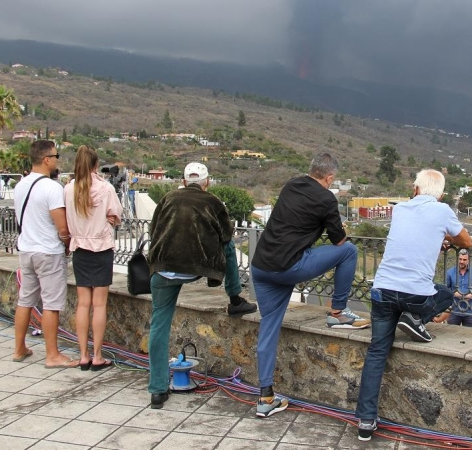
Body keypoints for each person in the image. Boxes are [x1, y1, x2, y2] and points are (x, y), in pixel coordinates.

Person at [355, 169, 472, 441]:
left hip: (382, 291)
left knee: (376, 352)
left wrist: (437, 239)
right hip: (414, 296)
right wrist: (447, 238)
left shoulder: (401, 209)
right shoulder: (442, 210)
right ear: (441, 194)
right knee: (446, 292)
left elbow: (413, 239)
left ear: (415, 188)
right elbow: (466, 241)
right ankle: (413, 318)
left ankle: (365, 420)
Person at [250, 152, 367, 418]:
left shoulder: (292, 184)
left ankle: (266, 397)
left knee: (268, 327)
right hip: (289, 266)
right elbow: (339, 240)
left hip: (261, 266)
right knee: (349, 252)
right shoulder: (327, 198)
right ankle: (337, 313)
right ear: (329, 177)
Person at [146, 162, 256, 409]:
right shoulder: (213, 202)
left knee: (159, 326)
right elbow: (226, 236)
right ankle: (235, 298)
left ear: (184, 182)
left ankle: (157, 390)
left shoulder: (167, 198)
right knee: (228, 247)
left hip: (162, 268)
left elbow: (154, 231)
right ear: (206, 183)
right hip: (195, 268)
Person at [12, 140, 78, 368]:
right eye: (56, 155)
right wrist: (68, 243)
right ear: (47, 159)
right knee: (51, 303)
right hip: (48, 252)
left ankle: (19, 348)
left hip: (26, 249)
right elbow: (62, 227)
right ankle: (53, 355)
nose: (58, 159)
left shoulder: (20, 185)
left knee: (25, 300)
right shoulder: (52, 188)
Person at [64, 145, 123, 371]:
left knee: (83, 304)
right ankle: (97, 355)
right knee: (99, 305)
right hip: (101, 249)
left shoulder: (69, 189)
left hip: (79, 248)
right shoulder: (105, 188)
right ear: (96, 165)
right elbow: (116, 215)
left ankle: (83, 354)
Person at [435, 248, 472, 327]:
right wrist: (454, 293)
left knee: (471, 335)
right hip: (454, 310)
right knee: (451, 335)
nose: (461, 262)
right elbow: (445, 289)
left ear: (468, 260)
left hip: (470, 310)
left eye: (464, 260)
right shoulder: (450, 272)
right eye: (460, 259)